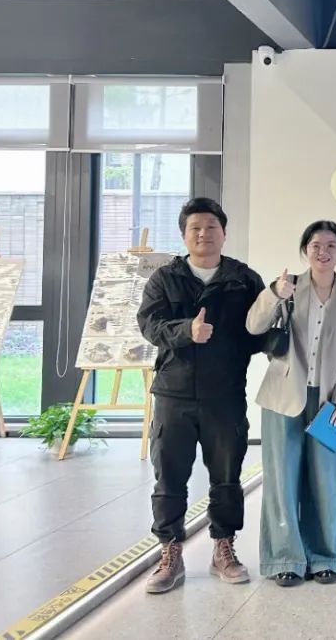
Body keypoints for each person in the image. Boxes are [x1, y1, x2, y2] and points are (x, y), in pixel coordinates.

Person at [137, 198, 265, 594]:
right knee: (169, 476)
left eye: (211, 227)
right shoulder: (165, 278)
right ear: (184, 235)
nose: (203, 234)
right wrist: (185, 332)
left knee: (227, 477)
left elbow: (259, 331)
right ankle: (170, 552)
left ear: (224, 233)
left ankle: (223, 548)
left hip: (225, 395)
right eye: (195, 227)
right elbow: (149, 325)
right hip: (173, 394)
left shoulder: (244, 280)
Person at [246, 220, 336, 587]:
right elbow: (253, 326)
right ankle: (285, 558)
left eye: (331, 245)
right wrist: (274, 293)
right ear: (305, 250)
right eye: (316, 245)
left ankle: (324, 557)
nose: (323, 251)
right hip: (283, 396)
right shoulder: (288, 287)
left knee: (326, 479)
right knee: (282, 478)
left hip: (329, 400)